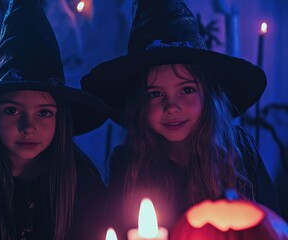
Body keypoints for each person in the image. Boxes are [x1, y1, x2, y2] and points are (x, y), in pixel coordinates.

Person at [81, 0, 281, 238]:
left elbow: (271, 222)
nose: (172, 106)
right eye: (155, 94)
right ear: (138, 106)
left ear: (208, 95)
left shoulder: (239, 152)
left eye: (186, 90)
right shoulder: (126, 163)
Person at [0, 0, 110, 239]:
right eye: (12, 110)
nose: (28, 127)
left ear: (61, 119)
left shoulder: (80, 179)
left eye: (44, 112)